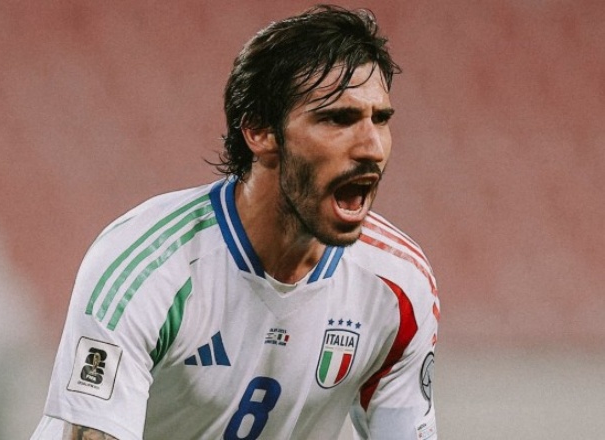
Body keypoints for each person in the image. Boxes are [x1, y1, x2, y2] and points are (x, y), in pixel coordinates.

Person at [32, 5, 440, 440]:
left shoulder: (399, 286)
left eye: (380, 119)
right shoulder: (148, 268)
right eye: (338, 119)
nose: (372, 148)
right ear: (260, 132)